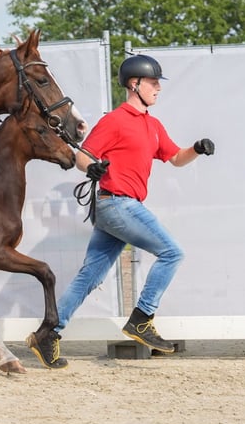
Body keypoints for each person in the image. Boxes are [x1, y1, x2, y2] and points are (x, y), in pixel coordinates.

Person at [26, 54, 215, 369]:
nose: (158, 88)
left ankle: (48, 333)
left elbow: (176, 158)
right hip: (116, 203)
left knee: (90, 275)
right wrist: (93, 168)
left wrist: (196, 149)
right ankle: (142, 318)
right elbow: (83, 155)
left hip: (122, 207)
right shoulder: (114, 121)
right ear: (134, 84)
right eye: (153, 82)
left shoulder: (153, 126)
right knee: (172, 253)